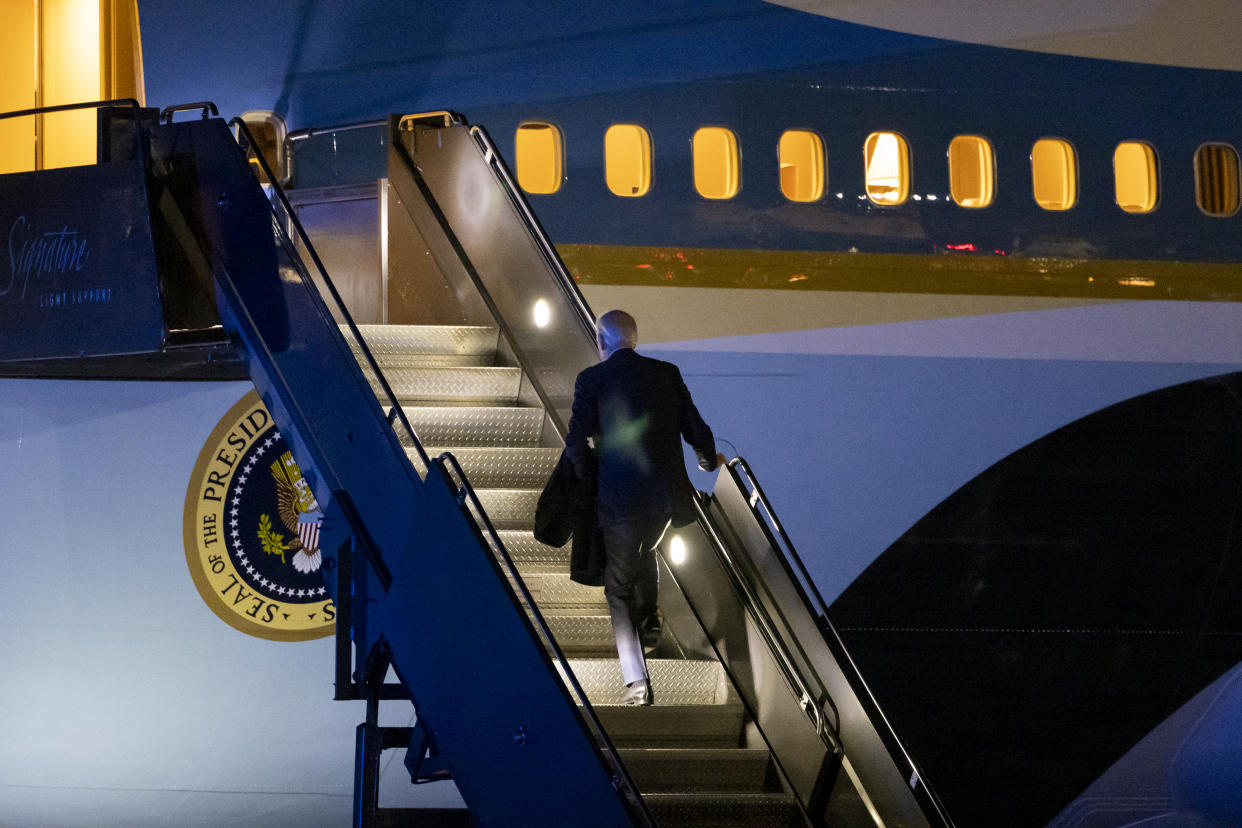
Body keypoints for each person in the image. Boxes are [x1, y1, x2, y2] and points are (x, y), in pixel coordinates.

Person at [564, 309, 725, 706]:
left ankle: (636, 681)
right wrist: (708, 462)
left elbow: (574, 443)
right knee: (649, 548)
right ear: (634, 339)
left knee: (617, 588)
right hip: (665, 500)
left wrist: (590, 480)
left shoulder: (592, 380)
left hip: (618, 501)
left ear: (601, 341)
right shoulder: (666, 373)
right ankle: (650, 615)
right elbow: (698, 431)